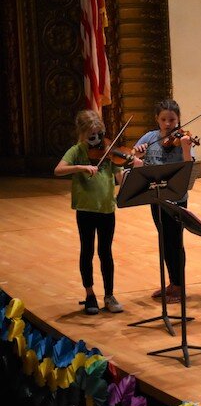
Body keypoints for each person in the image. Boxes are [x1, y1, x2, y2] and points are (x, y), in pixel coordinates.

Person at [54, 110, 140, 315]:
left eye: (100, 135)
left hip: (106, 209)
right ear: (82, 135)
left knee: (105, 252)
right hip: (85, 210)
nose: (97, 140)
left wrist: (134, 168)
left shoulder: (109, 153)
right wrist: (81, 167)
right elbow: (58, 170)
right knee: (87, 251)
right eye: (91, 136)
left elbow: (120, 179)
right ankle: (90, 294)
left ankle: (109, 295)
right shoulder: (77, 151)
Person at [133, 100, 194, 303]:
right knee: (164, 240)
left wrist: (186, 148)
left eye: (172, 120)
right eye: (164, 119)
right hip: (156, 197)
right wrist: (138, 156)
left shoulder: (183, 139)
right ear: (157, 120)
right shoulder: (149, 138)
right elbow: (136, 163)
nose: (168, 124)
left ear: (178, 120)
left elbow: (188, 168)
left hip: (176, 198)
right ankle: (173, 282)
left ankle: (179, 286)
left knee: (175, 241)